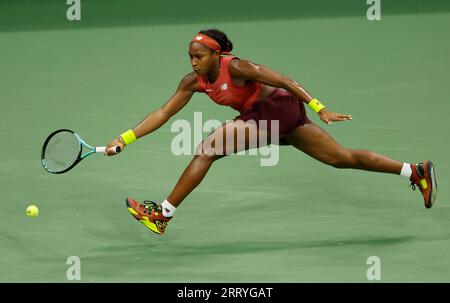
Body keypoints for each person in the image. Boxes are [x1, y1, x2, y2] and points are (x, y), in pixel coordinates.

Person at [105, 29, 437, 235]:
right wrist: (125, 138)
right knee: (340, 158)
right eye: (190, 57)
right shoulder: (193, 83)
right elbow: (164, 112)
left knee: (208, 148)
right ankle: (414, 171)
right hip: (277, 116)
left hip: (277, 107)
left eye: (199, 56)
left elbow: (283, 80)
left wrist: (320, 107)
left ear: (216, 54)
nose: (193, 62)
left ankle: (162, 215)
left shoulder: (235, 67)